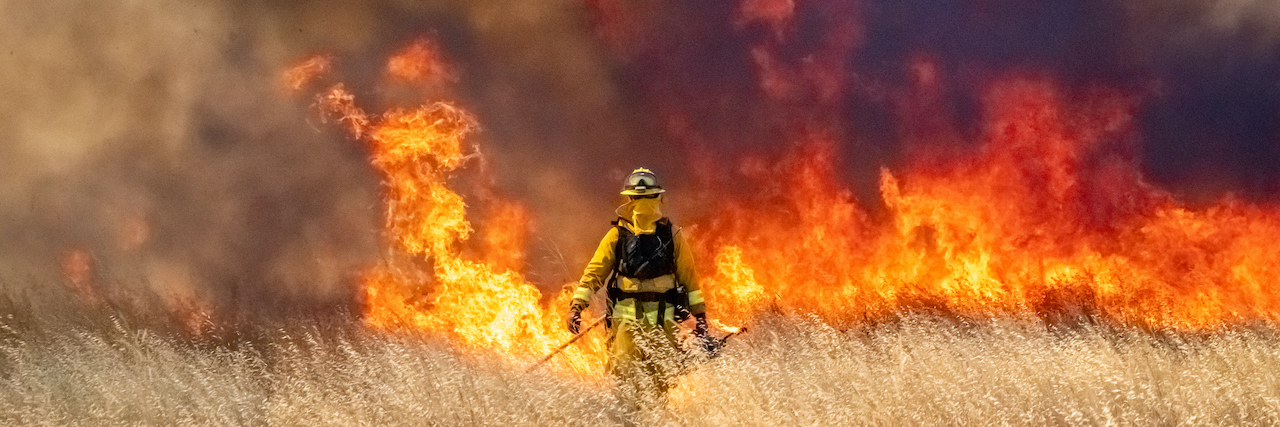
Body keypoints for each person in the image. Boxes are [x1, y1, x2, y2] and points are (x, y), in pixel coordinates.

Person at [566, 167, 712, 407]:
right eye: (640, 198)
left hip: (646, 328)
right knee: (631, 384)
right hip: (643, 328)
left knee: (655, 386)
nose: (644, 203)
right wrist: (701, 318)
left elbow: (594, 274)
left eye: (647, 198)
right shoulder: (632, 236)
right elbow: (690, 281)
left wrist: (576, 307)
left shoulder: (655, 235)